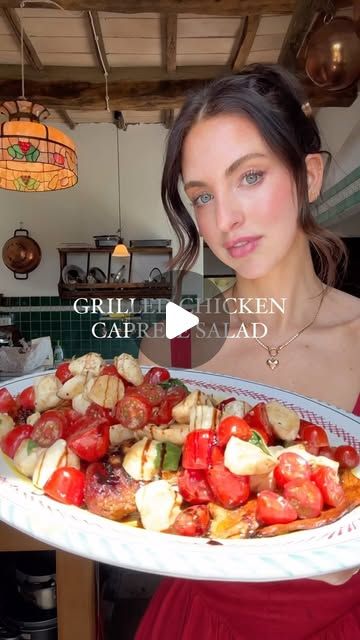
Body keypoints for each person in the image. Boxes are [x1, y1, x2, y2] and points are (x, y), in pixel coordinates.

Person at [136, 63, 360, 639]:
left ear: (309, 177)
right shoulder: (171, 343)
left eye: (251, 177)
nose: (225, 218)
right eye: (203, 195)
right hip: (198, 623)